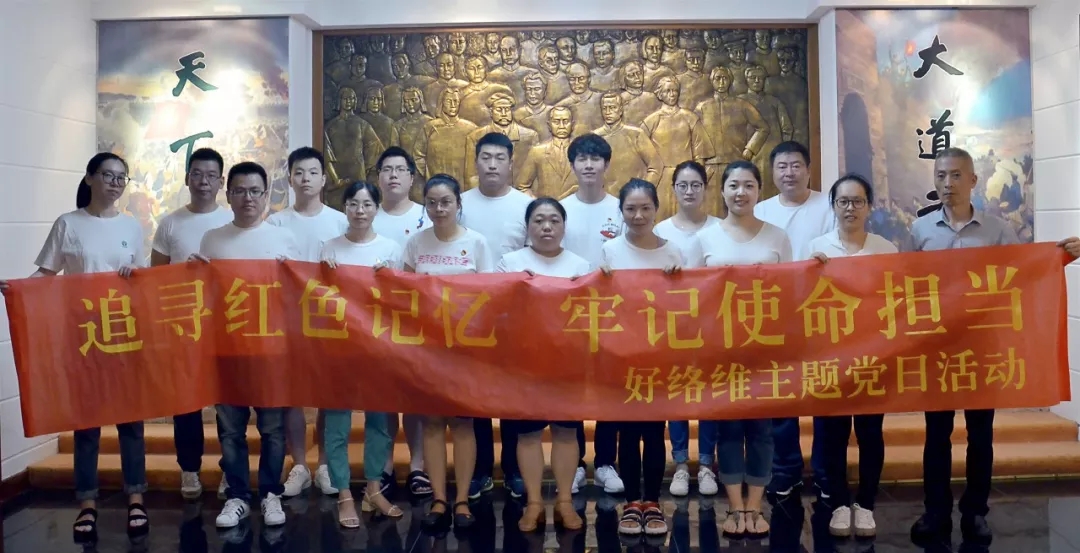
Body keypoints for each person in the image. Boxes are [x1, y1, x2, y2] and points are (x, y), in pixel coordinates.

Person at [0, 153, 149, 543]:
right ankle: (87, 503)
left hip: (123, 333)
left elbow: (145, 278)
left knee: (131, 422)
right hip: (83, 336)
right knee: (86, 424)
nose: (115, 183)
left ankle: (136, 498)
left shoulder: (132, 226)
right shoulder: (68, 223)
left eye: (121, 177)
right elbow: (47, 273)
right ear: (90, 178)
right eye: (108, 175)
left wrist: (136, 276)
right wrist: (17, 288)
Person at [197, 161, 297, 529]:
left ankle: (270, 493)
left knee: (272, 429)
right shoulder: (212, 239)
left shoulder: (283, 239)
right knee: (230, 429)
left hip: (271, 350)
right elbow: (205, 295)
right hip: (227, 349)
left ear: (266, 194)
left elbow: (298, 296)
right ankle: (237, 496)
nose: (248, 198)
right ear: (228, 194)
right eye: (239, 191)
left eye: (255, 191)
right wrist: (193, 272)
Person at [697, 160, 790, 539]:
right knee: (730, 429)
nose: (741, 192)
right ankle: (735, 507)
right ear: (722, 191)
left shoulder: (778, 237)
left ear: (759, 191)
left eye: (749, 185)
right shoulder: (705, 239)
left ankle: (755, 505)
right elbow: (690, 296)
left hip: (765, 349)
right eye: (733, 185)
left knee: (763, 430)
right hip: (721, 349)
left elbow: (792, 290)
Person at [804, 174, 896, 538]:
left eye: (858, 201)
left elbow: (896, 302)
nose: (850, 208)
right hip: (831, 358)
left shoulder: (885, 249)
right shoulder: (816, 248)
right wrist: (809, 270)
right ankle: (840, 503)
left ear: (869, 206)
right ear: (833, 206)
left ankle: (866, 504)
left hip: (873, 357)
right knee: (833, 434)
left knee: (870, 432)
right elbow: (800, 299)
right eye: (843, 201)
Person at [601, 179, 692, 538]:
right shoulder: (609, 251)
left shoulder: (673, 252)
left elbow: (689, 302)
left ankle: (652, 501)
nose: (638, 215)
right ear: (621, 211)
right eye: (630, 209)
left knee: (654, 431)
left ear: (657, 209)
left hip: (660, 355)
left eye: (645, 208)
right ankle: (631, 503)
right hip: (621, 356)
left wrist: (678, 279)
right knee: (626, 432)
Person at [403, 174, 493, 531]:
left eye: (446, 202)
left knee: (463, 423)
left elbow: (490, 295)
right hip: (428, 349)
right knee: (432, 422)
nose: (439, 209)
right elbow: (404, 293)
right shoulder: (415, 243)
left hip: (466, 349)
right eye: (432, 203)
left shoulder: (477, 242)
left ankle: (463, 500)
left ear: (458, 204)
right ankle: (439, 499)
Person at [497, 197, 591, 532]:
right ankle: (534, 502)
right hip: (525, 363)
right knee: (528, 434)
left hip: (568, 363)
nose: (546, 226)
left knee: (566, 432)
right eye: (538, 220)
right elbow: (500, 312)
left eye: (553, 220)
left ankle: (565, 501)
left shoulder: (580, 265)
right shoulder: (510, 264)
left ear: (564, 226)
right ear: (527, 227)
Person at [752, 141, 834, 506]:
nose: (789, 173)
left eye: (796, 165)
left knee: (822, 394)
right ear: (772, 173)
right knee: (782, 396)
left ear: (809, 170)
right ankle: (786, 470)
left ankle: (825, 471)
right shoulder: (761, 210)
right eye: (782, 166)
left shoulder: (828, 206)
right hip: (776, 315)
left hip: (821, 312)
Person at [319, 180, 404, 527]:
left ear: (376, 209)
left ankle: (373, 489)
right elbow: (314, 297)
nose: (360, 211)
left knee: (380, 422)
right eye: (353, 204)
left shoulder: (391, 249)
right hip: (339, 349)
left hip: (378, 349)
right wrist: (322, 272)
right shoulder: (329, 248)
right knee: (337, 423)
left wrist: (389, 279)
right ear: (345, 208)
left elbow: (403, 299)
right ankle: (343, 493)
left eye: (367, 204)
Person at [150, 147, 233, 500]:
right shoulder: (170, 223)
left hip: (226, 327)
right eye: (197, 174)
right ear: (187, 178)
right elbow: (156, 276)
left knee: (229, 404)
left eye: (211, 175)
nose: (203, 182)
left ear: (221, 181)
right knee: (186, 403)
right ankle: (189, 470)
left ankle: (231, 470)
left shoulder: (232, 220)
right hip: (183, 325)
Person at [266, 147, 349, 497]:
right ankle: (299, 464)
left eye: (313, 172)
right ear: (290, 178)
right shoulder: (275, 223)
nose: (306, 179)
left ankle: (326, 463)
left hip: (329, 319)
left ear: (323, 179)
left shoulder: (339, 221)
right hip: (287, 319)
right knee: (292, 395)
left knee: (329, 394)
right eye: (299, 172)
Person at [459, 133, 532, 499]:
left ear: (510, 163)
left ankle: (514, 469)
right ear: (476, 161)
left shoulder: (525, 205)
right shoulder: (460, 204)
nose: (491, 164)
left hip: (513, 317)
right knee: (477, 396)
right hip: (468, 317)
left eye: (499, 158)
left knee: (513, 395)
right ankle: (481, 469)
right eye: (485, 157)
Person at [559, 133, 625, 495]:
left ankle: (604, 462)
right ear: (572, 165)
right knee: (571, 389)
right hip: (569, 315)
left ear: (606, 165)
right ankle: (575, 463)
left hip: (612, 314)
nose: (588, 165)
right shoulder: (560, 210)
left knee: (609, 389)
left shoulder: (620, 209)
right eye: (582, 159)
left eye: (595, 159)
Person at [652, 160, 720, 498]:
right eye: (683, 185)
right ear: (674, 189)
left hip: (712, 326)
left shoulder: (720, 228)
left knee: (710, 395)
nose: (689, 191)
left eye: (696, 185)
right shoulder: (660, 231)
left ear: (705, 188)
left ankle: (706, 463)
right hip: (671, 327)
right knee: (676, 392)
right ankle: (680, 463)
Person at [370, 146, 433, 498]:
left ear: (411, 177)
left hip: (418, 319)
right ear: (378, 177)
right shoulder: (367, 213)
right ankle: (385, 465)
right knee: (383, 398)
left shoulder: (429, 215)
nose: (393, 175)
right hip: (375, 320)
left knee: (415, 398)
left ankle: (418, 465)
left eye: (400, 170)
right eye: (386, 170)